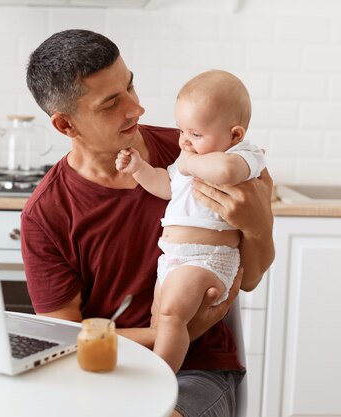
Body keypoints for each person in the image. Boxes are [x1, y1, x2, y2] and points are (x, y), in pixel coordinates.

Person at [22, 29, 275, 417]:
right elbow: (65, 343)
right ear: (65, 126)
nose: (136, 108)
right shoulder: (46, 214)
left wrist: (257, 226)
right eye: (111, 104)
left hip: (196, 369)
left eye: (130, 86)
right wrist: (166, 333)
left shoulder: (198, 150)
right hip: (107, 372)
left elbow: (252, 277)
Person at [114, 69, 266, 374]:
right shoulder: (189, 157)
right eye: (181, 131)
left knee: (170, 317)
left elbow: (226, 172)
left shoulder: (243, 154)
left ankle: (159, 378)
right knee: (161, 319)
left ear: (235, 134)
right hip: (173, 259)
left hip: (208, 260)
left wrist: (188, 163)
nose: (184, 141)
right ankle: (162, 370)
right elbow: (165, 185)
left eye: (195, 134)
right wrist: (139, 168)